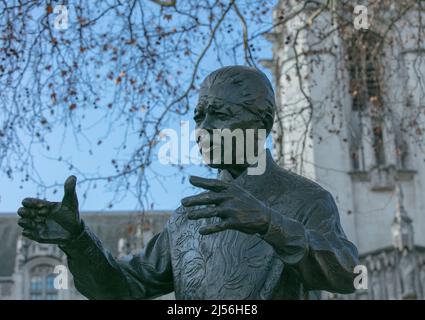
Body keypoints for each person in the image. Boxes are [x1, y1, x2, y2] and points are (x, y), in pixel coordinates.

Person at [17, 66, 359, 299]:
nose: (203, 129)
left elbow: (347, 274)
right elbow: (122, 288)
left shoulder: (306, 199)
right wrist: (77, 240)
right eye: (200, 116)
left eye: (220, 115)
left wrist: (270, 224)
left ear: (260, 125)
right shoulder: (187, 217)